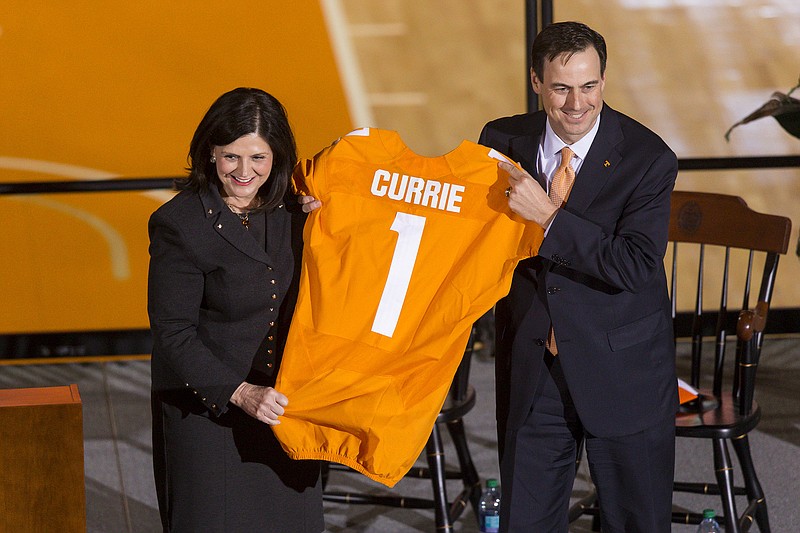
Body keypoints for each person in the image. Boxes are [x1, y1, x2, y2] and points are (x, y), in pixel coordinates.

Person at [479, 22, 679, 532]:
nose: (576, 103)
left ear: (604, 81)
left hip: (623, 369)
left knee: (635, 523)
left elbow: (634, 264)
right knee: (526, 522)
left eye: (589, 86)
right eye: (562, 87)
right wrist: (335, 208)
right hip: (534, 366)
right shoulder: (499, 140)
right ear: (536, 82)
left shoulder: (649, 158)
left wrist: (548, 218)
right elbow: (450, 217)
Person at [147, 87, 324, 532]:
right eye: (231, 157)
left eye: (258, 159)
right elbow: (173, 333)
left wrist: (330, 223)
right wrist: (241, 393)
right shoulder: (178, 223)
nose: (244, 172)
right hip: (209, 410)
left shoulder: (298, 209)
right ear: (210, 153)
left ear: (277, 158)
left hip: (284, 407)